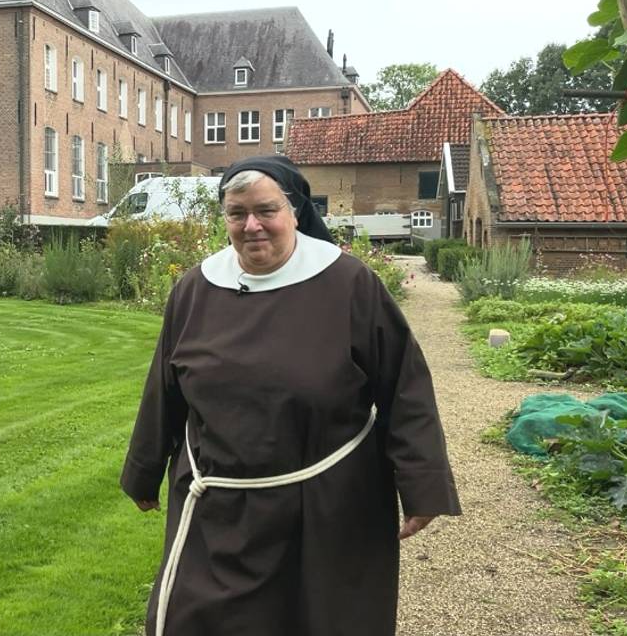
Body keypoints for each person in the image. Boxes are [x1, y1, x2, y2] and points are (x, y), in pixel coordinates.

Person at [120, 155, 461, 636]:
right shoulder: (195, 289)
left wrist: (422, 483)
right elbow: (165, 388)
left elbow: (404, 387)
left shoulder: (349, 284)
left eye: (266, 210)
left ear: (295, 210)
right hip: (220, 505)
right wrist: (143, 471)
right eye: (237, 213)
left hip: (328, 502)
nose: (252, 225)